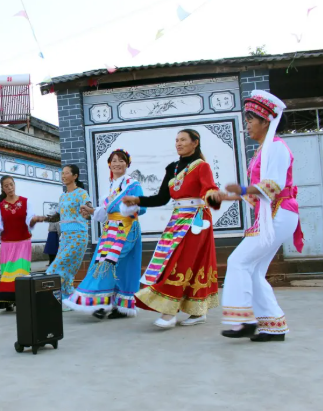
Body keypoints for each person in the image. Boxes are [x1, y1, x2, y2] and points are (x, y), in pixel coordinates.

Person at [219, 90, 304, 342]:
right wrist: (228, 196)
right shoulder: (264, 150)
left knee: (238, 262)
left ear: (265, 121)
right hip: (274, 215)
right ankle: (273, 326)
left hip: (280, 213)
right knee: (253, 270)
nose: (247, 125)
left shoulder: (277, 147)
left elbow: (273, 186)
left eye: (250, 120)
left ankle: (243, 320)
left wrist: (242, 190)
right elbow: (260, 193)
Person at [122, 129, 222, 328]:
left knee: (180, 262)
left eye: (183, 139)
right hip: (177, 220)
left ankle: (169, 312)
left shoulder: (202, 166)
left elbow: (209, 187)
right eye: (176, 140)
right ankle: (197, 311)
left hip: (196, 220)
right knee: (177, 262)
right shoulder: (172, 168)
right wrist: (138, 199)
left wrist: (213, 195)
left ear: (195, 142)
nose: (178, 143)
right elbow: (162, 198)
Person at [65, 149, 146, 319]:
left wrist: (126, 207)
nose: (117, 163)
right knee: (109, 265)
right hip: (110, 230)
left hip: (126, 229)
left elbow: (142, 207)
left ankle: (101, 302)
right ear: (109, 164)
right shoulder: (112, 186)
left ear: (127, 164)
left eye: (121, 161)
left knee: (109, 263)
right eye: (114, 161)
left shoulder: (133, 185)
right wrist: (91, 211)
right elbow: (106, 212)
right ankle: (114, 304)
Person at [0, 175, 46, 310]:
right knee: (8, 271)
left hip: (23, 242)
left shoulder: (26, 202)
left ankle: (20, 298)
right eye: (6, 186)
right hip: (7, 243)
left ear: (15, 185)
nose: (10, 188)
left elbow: (29, 219)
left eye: (11, 184)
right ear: (2, 188)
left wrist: (34, 220)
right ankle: (7, 300)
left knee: (21, 271)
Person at [46, 164, 91, 308]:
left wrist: (87, 210)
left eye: (66, 173)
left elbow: (88, 207)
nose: (63, 176)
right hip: (64, 237)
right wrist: (41, 218)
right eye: (62, 173)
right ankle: (69, 301)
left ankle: (64, 300)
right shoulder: (63, 196)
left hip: (78, 236)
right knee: (66, 272)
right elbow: (58, 215)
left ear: (75, 176)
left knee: (54, 269)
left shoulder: (82, 193)